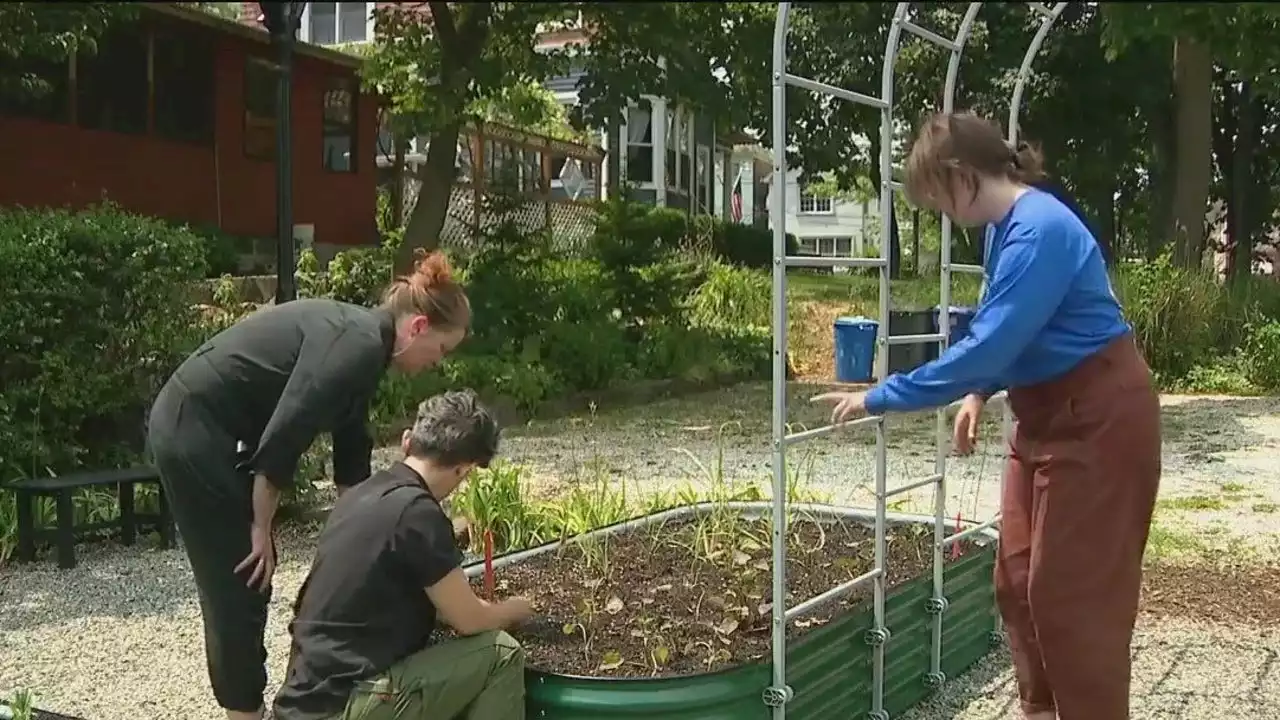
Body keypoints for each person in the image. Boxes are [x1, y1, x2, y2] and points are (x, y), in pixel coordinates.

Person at [813, 111, 1160, 720]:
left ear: (961, 176)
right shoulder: (1002, 229)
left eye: (937, 199)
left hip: (1100, 419)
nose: (941, 213)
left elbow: (993, 343)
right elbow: (1008, 326)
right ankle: (1042, 708)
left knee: (1074, 598)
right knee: (1017, 581)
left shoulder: (1039, 230)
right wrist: (977, 391)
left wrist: (883, 394)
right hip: (1046, 414)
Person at [146, 251, 470, 720]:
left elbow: (350, 444)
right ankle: (243, 713)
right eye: (440, 351)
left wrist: (366, 522)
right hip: (192, 430)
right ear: (418, 327)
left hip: (214, 430)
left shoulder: (367, 342)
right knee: (241, 580)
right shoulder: (356, 343)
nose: (436, 364)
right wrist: (261, 525)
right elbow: (286, 434)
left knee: (247, 580)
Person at [273, 389, 532, 720]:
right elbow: (470, 621)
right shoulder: (418, 514)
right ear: (464, 470)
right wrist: (518, 608)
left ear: (408, 441)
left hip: (305, 696)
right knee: (500, 653)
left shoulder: (361, 495)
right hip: (343, 707)